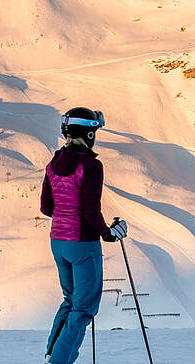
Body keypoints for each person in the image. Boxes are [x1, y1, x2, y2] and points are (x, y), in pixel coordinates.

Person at [41, 107, 129, 364]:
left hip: (58, 241)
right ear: (89, 134)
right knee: (84, 308)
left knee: (70, 300)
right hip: (82, 244)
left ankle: (52, 354)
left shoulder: (53, 163)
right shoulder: (91, 166)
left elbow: (47, 208)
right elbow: (91, 210)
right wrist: (109, 234)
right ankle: (59, 361)